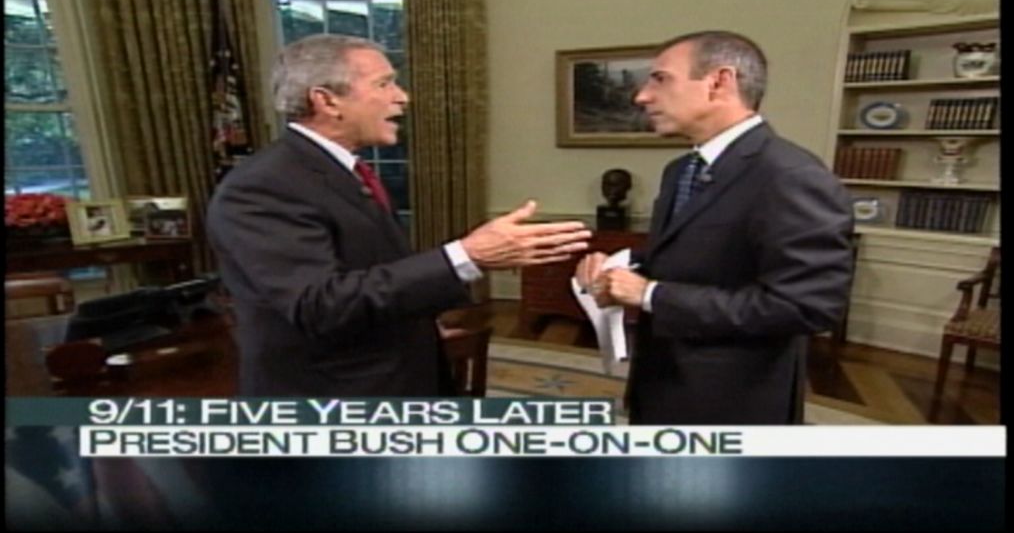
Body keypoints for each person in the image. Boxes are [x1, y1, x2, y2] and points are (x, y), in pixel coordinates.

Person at [207, 34, 590, 396]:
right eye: (384, 84)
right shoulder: (262, 186)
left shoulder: (342, 170)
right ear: (327, 101)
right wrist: (466, 257)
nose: (402, 97)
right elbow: (319, 305)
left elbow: (371, 272)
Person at [576, 31, 854, 424]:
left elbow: (805, 306)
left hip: (732, 401)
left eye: (660, 79)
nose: (641, 96)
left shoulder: (790, 176)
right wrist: (621, 265)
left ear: (719, 82)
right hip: (662, 382)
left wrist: (651, 295)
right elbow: (690, 253)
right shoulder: (681, 170)